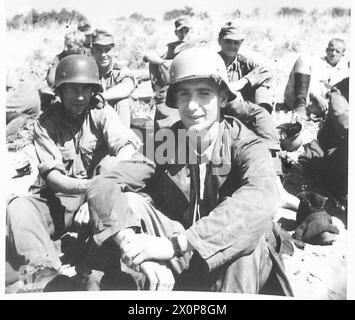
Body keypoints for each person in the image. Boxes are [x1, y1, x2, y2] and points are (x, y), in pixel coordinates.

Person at [87, 48, 293, 295]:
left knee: (247, 238)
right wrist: (135, 247)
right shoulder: (170, 141)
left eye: (204, 94)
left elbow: (262, 197)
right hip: (182, 250)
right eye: (184, 95)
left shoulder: (244, 143)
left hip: (228, 257)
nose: (192, 106)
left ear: (223, 99)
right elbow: (105, 184)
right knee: (130, 201)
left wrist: (175, 244)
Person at [6, 55, 141, 292]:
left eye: (85, 89)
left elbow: (127, 147)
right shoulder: (46, 123)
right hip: (60, 200)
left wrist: (98, 194)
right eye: (72, 90)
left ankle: (105, 263)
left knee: (111, 166)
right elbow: (54, 178)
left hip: (102, 200)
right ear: (59, 91)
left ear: (93, 91)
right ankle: (47, 275)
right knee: (18, 207)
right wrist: (89, 190)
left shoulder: (102, 113)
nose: (79, 97)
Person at [284, 38, 349, 120]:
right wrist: (317, 97)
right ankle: (300, 108)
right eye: (331, 50)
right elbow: (312, 85)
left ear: (343, 55)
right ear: (326, 50)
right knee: (303, 58)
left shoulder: (344, 71)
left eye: (337, 51)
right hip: (302, 99)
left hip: (322, 106)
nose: (333, 53)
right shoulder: (316, 62)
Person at [217, 21, 274, 113]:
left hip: (243, 105)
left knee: (261, 86)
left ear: (241, 43)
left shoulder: (244, 61)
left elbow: (268, 71)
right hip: (220, 104)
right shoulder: (213, 60)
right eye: (228, 41)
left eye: (236, 43)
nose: (232, 46)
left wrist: (243, 82)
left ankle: (263, 114)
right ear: (220, 41)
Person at [90, 28, 137, 127]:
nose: (103, 55)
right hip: (94, 116)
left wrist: (101, 97)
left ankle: (123, 140)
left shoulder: (119, 71)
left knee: (122, 102)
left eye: (107, 50)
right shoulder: (88, 71)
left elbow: (127, 86)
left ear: (114, 51)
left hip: (118, 117)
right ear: (92, 51)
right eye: (99, 50)